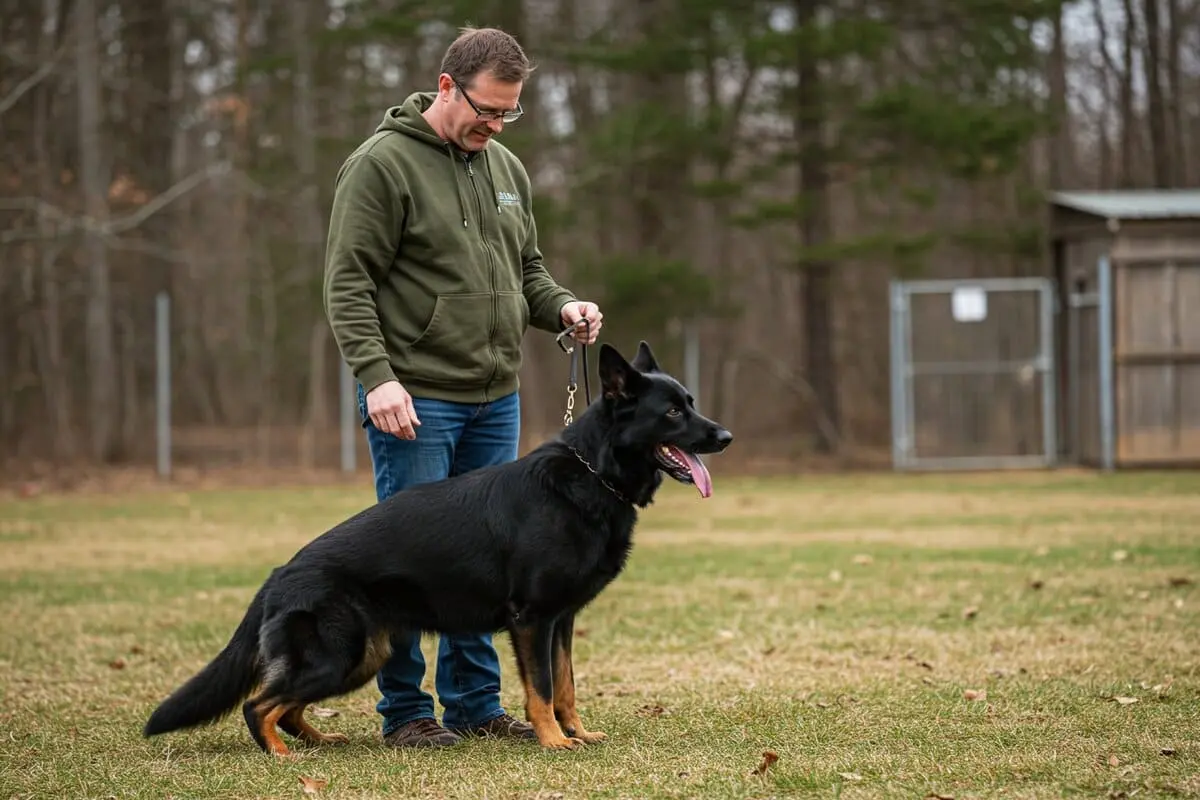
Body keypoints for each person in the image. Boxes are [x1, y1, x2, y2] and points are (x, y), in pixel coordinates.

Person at [322, 27, 603, 749]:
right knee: (411, 555)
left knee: (491, 558)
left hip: (494, 397)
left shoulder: (505, 167)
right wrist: (377, 378)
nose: (498, 124)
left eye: (511, 112)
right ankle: (405, 714)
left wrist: (562, 307)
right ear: (446, 87)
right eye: (488, 109)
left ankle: (477, 706)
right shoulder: (381, 166)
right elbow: (347, 284)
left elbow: (527, 270)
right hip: (414, 396)